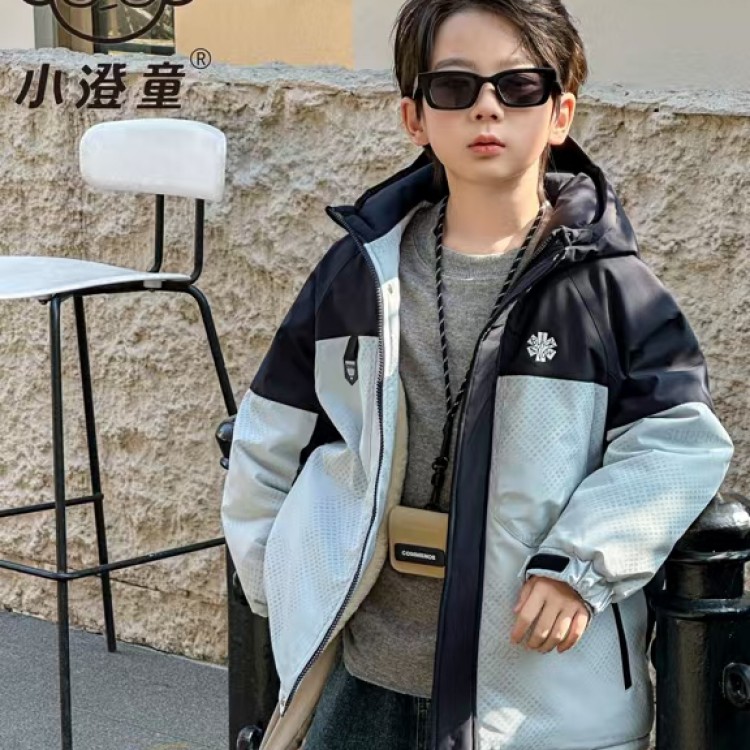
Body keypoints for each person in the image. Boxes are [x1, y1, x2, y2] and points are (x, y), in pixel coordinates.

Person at [221, 1, 735, 748]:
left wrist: (579, 565)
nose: (487, 107)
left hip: (530, 702)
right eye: (454, 86)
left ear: (559, 113)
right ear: (414, 117)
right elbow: (269, 431)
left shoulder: (609, 288)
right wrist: (279, 582)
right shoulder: (357, 274)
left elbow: (680, 442)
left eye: (519, 86)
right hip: (361, 681)